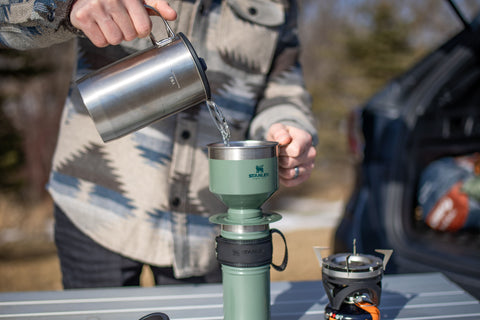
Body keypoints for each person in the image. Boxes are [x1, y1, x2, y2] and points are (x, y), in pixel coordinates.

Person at [0, 0, 317, 288]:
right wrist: (67, 6)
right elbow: (7, 23)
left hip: (212, 226)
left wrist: (289, 128)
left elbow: (283, 89)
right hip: (96, 208)